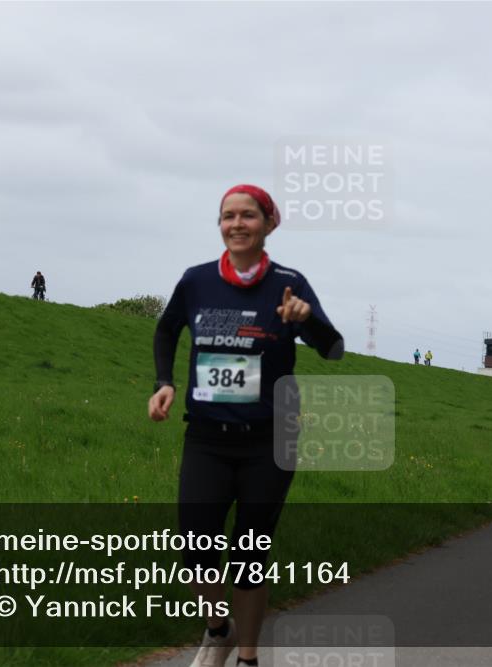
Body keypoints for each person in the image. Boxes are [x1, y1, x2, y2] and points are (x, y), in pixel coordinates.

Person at [148, 184, 344, 667]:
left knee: (249, 557)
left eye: (248, 216)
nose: (236, 224)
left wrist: (307, 320)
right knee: (195, 549)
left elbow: (332, 347)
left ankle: (248, 658)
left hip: (270, 441)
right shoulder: (196, 281)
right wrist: (164, 382)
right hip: (207, 437)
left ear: (268, 224)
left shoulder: (289, 283)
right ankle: (219, 631)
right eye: (227, 216)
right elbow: (167, 327)